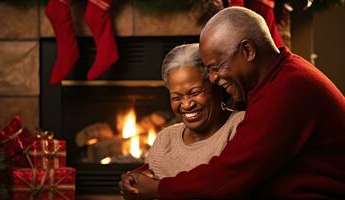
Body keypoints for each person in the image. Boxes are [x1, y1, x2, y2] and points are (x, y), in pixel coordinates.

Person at [123, 7, 345, 199]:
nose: (212, 78)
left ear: (247, 51)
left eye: (216, 67)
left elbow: (226, 179)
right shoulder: (268, 80)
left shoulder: (289, 90)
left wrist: (158, 189)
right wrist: (147, 172)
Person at [119, 43, 245, 199]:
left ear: (216, 85)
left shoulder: (240, 126)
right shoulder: (165, 137)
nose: (186, 104)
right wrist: (132, 181)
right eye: (176, 97)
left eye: (195, 93)